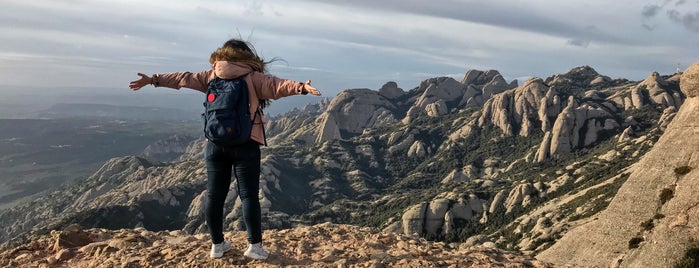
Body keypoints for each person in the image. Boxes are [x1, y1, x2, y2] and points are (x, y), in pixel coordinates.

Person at [129, 39, 321, 259]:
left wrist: (153, 80)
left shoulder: (211, 75)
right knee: (248, 196)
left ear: (222, 55)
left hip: (215, 145)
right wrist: (301, 88)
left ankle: (217, 245)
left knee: (214, 196)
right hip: (246, 145)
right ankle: (255, 247)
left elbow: (182, 78)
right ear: (247, 56)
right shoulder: (253, 77)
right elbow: (277, 86)